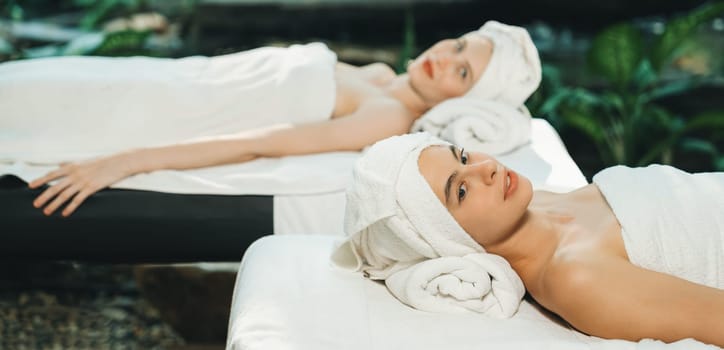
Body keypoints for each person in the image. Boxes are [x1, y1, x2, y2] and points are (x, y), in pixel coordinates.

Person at [0, 21, 541, 217]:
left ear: (464, 100)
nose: (445, 57)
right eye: (461, 45)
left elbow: (259, 145)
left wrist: (123, 162)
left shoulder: (386, 114)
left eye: (463, 73)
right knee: (26, 85)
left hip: (166, 112)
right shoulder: (377, 73)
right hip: (170, 79)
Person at [334, 132, 724, 347]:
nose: (486, 168)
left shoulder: (540, 201)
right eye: (461, 192)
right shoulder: (577, 279)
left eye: (464, 157)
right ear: (446, 239)